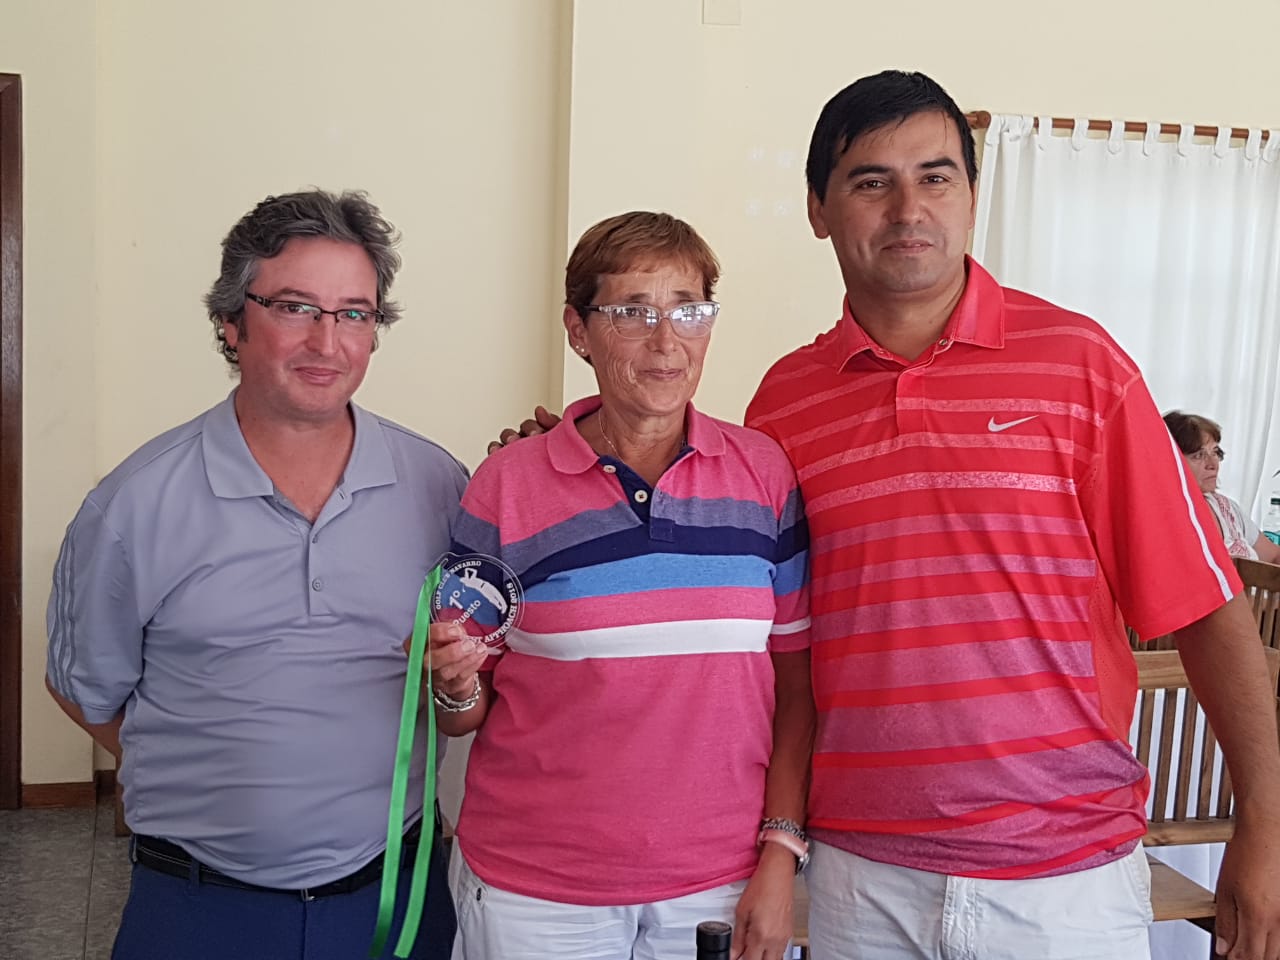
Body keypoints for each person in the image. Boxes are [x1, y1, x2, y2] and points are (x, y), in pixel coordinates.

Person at [494, 73, 1280, 960]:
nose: (909, 208)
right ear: (818, 210)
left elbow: (1205, 605)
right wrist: (577, 451)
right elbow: (735, 597)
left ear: (972, 195)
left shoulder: (1083, 366)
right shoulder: (786, 403)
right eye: (871, 181)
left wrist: (1265, 820)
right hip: (858, 882)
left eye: (935, 176)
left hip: (1062, 883)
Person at [45, 190, 465, 960]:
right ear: (231, 323)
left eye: (354, 313)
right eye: (296, 307)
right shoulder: (133, 505)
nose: (327, 342)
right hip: (197, 907)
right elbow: (85, 691)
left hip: (396, 901)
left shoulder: (437, 486)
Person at [432, 211, 814, 960]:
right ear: (579, 331)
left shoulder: (764, 475)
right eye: (632, 313)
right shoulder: (506, 484)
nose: (667, 341)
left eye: (688, 310)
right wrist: (452, 685)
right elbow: (462, 713)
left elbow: (797, 690)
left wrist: (780, 853)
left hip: (718, 885)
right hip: (535, 893)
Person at [1164, 410, 1280, 564]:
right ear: (1170, 461)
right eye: (1198, 455)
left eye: (1215, 452)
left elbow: (1274, 556)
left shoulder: (1226, 508)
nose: (1212, 464)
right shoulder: (1163, 517)